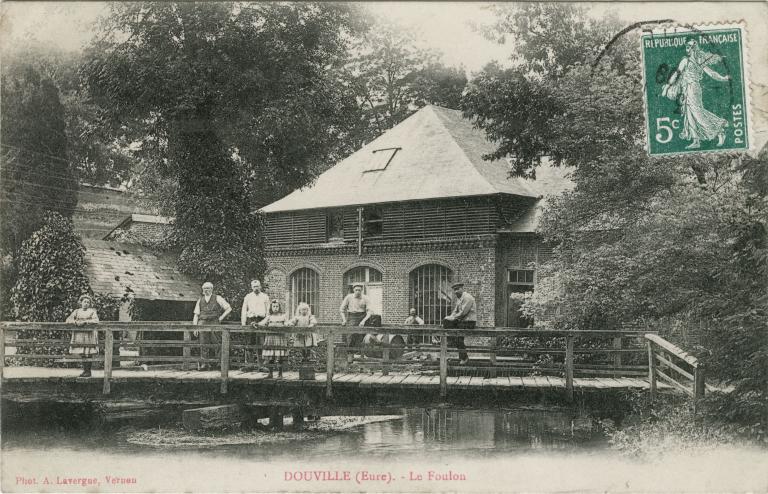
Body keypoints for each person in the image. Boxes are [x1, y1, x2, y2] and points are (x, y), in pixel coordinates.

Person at [662, 38, 730, 150]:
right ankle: (696, 140)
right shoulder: (690, 61)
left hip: (693, 88)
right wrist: (669, 85)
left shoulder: (692, 61)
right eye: (686, 47)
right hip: (688, 89)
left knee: (697, 112)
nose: (687, 49)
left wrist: (723, 78)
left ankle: (719, 130)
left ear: (694, 48)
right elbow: (676, 74)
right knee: (689, 114)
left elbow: (712, 73)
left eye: (689, 47)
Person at [192, 282, 232, 370]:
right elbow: (196, 315)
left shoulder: (218, 298)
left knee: (217, 342)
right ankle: (205, 364)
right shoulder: (200, 300)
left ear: (212, 289)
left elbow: (229, 308)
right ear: (202, 290)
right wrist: (195, 327)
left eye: (208, 288)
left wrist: (221, 318)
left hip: (214, 322)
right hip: (202, 323)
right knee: (203, 343)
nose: (206, 290)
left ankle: (219, 363)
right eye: (204, 288)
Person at [67, 294, 100, 377]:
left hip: (89, 335)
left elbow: (96, 321)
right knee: (82, 352)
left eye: (88, 302)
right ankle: (85, 370)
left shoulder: (92, 311)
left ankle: (88, 371)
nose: (86, 303)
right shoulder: (77, 311)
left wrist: (86, 322)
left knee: (88, 352)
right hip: (80, 335)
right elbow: (68, 320)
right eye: (84, 302)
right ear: (81, 303)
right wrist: (75, 322)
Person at [443, 282, 476, 364]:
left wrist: (452, 318)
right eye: (454, 290)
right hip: (462, 321)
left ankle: (451, 342)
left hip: (469, 322)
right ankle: (463, 357)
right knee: (447, 322)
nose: (455, 292)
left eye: (457, 289)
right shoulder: (459, 299)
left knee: (458, 337)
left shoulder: (467, 298)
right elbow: (455, 311)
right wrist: (449, 317)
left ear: (462, 289)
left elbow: (463, 313)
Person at [241, 279, 270, 366]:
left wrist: (265, 322)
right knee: (249, 342)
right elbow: (244, 310)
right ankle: (249, 365)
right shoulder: (248, 297)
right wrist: (243, 323)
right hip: (250, 320)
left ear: (260, 286)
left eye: (257, 286)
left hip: (261, 320)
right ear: (251, 287)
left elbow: (268, 311)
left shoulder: (265, 297)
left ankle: (261, 365)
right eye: (254, 287)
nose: (256, 288)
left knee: (261, 342)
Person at [258, 300, 289, 378]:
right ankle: (270, 373)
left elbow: (287, 324)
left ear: (279, 307)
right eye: (274, 306)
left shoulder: (283, 316)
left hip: (280, 338)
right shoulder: (269, 316)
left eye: (277, 306)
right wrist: (256, 324)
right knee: (271, 356)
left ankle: (280, 374)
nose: (275, 308)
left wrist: (286, 325)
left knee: (280, 356)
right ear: (271, 308)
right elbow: (262, 323)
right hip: (270, 338)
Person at [340, 284, 372, 355]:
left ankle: (360, 356)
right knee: (350, 335)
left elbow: (369, 311)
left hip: (362, 317)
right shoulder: (349, 297)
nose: (358, 292)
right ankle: (350, 355)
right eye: (356, 290)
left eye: (359, 290)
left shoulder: (366, 298)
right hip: (352, 317)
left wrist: (363, 321)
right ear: (353, 290)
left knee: (361, 336)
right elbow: (341, 309)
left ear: (362, 290)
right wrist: (344, 320)